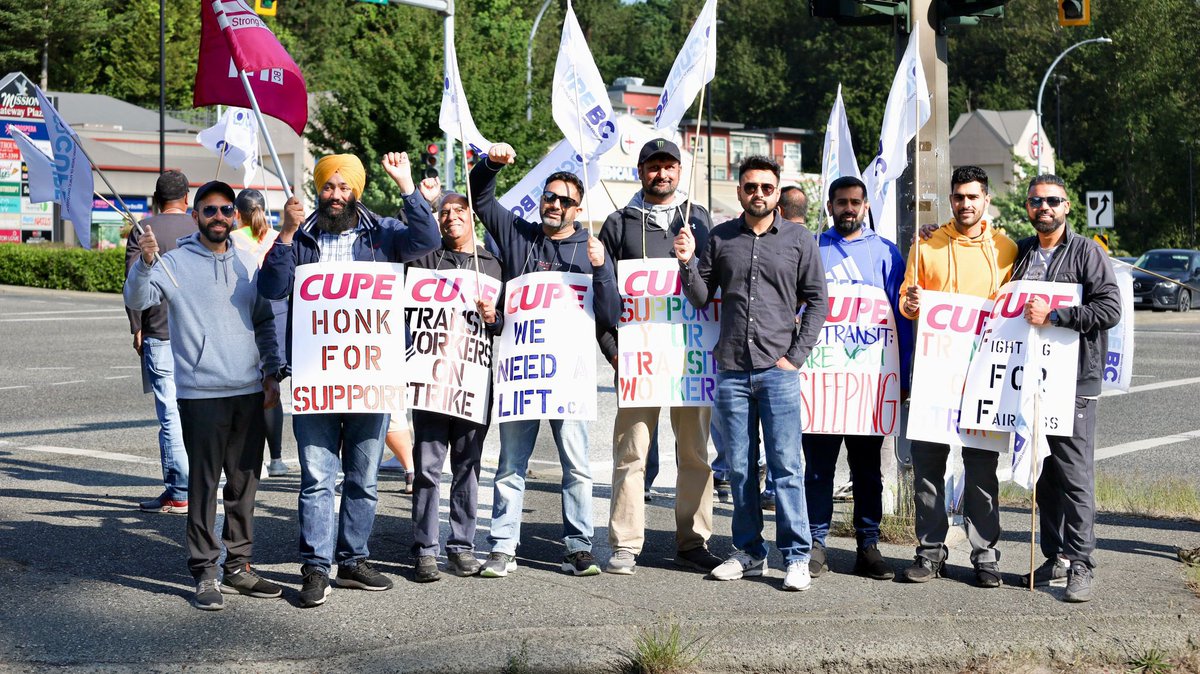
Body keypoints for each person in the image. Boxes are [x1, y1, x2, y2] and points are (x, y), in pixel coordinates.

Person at [258, 152, 440, 608]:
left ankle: (353, 560)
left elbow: (427, 238)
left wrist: (407, 187)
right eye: (328, 186)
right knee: (317, 479)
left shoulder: (384, 234)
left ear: (356, 191)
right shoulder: (302, 236)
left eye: (344, 188)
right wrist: (285, 233)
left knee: (363, 478)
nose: (335, 195)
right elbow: (271, 288)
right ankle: (316, 568)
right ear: (318, 189)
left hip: (369, 378)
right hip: (316, 378)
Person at [124, 180, 283, 611]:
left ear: (235, 216)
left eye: (226, 210)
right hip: (200, 393)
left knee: (244, 485)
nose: (218, 217)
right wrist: (145, 263)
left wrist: (271, 372)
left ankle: (240, 566)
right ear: (195, 215)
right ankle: (205, 572)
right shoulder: (174, 262)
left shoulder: (247, 262)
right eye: (209, 210)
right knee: (204, 485)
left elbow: (264, 320)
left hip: (249, 389)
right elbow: (137, 297)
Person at [468, 141, 621, 578]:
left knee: (576, 466)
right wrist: (490, 164)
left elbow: (611, 314)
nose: (553, 204)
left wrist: (602, 269)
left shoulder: (591, 248)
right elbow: (480, 198)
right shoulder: (520, 235)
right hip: (523, 374)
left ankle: (578, 547)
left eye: (563, 200)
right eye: (548, 197)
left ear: (577, 209)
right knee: (510, 465)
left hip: (568, 378)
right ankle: (503, 546)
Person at [676, 155, 828, 592]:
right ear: (740, 190)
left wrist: (794, 357)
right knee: (740, 469)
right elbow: (700, 297)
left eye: (766, 187)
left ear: (777, 192)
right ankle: (749, 551)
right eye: (750, 186)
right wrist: (687, 262)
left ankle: (796, 556)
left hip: (778, 371)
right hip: (732, 371)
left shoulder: (799, 239)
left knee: (786, 467)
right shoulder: (721, 237)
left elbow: (817, 301)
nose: (758, 193)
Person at [596, 138, 721, 575]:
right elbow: (602, 294)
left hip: (690, 360)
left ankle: (693, 541)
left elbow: (711, 287)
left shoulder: (699, 219)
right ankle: (625, 544)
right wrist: (614, 352)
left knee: (695, 455)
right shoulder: (618, 223)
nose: (662, 174)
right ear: (640, 171)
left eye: (669, 166)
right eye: (654, 166)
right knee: (632, 453)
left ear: (680, 171)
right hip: (638, 365)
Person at [899, 165, 1017, 588]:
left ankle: (985, 555)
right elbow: (906, 303)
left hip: (983, 378)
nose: (965, 204)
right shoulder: (926, 243)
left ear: (986, 199)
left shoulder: (1006, 249)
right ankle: (930, 552)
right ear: (950, 199)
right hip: (935, 376)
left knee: (982, 471)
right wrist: (912, 303)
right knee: (928, 466)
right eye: (958, 197)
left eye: (973, 197)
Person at [1012, 174, 1120, 602]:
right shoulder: (1021, 252)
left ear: (1067, 206)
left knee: (1075, 476)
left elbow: (1109, 308)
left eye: (1053, 201)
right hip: (1029, 379)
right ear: (1027, 207)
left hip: (1073, 381)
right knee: (1045, 475)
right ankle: (1055, 556)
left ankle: (1081, 563)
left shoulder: (1087, 252)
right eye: (1037, 201)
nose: (1045, 208)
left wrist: (1056, 315)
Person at [805, 176, 910, 582]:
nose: (848, 208)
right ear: (830, 206)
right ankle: (816, 543)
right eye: (841, 202)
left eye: (855, 202)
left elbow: (900, 316)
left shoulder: (885, 252)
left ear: (865, 206)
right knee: (818, 469)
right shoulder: (813, 247)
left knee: (867, 470)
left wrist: (903, 372)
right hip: (821, 382)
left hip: (869, 383)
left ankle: (868, 545)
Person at [408, 192, 504, 582]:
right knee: (427, 469)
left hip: (473, 381)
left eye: (458, 211)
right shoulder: (423, 261)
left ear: (471, 218)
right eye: (443, 213)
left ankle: (462, 547)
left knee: (468, 467)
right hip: (432, 381)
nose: (450, 217)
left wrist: (494, 317)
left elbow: (505, 324)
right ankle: (425, 551)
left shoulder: (494, 264)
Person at [125, 170, 194, 514]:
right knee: (197, 410)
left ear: (156, 199)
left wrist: (136, 326)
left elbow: (133, 279)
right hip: (196, 333)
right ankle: (202, 483)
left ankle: (179, 489)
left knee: (169, 414)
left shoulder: (143, 229)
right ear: (187, 198)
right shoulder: (200, 226)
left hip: (158, 329)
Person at [231, 188, 291, 478]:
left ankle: (253, 459)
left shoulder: (232, 239)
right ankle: (277, 459)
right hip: (278, 317)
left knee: (247, 392)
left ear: (236, 213)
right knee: (272, 387)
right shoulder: (278, 237)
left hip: (246, 317)